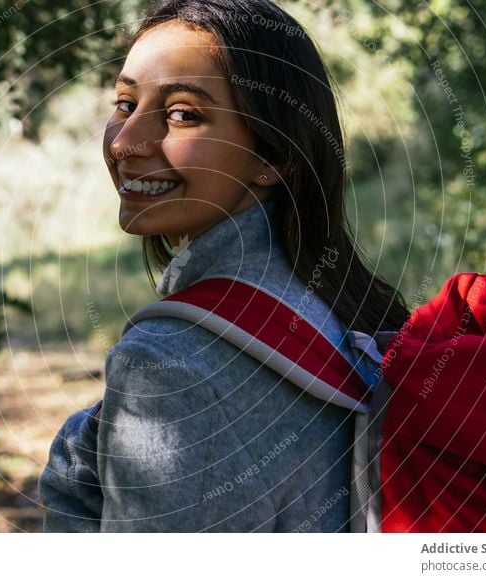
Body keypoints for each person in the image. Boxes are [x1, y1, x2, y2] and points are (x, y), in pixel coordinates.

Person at [38, 0, 409, 532]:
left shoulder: (169, 364)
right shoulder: (340, 309)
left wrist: (71, 472)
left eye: (182, 114)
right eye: (124, 103)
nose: (123, 143)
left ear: (272, 158)